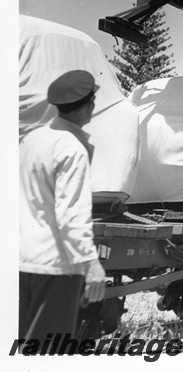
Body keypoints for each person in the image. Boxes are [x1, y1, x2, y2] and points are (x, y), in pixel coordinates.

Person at [19, 70, 107, 341]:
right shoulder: (71, 149)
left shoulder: (31, 139)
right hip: (57, 268)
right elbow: (71, 216)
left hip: (21, 260)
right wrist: (91, 263)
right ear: (89, 105)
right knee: (47, 351)